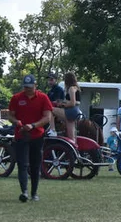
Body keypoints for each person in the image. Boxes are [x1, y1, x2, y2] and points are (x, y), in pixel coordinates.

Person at [8, 74, 54, 202]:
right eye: (25, 87)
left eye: (30, 87)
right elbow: (10, 116)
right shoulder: (16, 98)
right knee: (22, 164)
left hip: (37, 136)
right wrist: (16, 121)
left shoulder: (43, 98)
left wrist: (33, 125)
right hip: (21, 135)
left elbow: (47, 117)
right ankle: (24, 192)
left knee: (35, 165)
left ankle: (34, 193)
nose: (27, 89)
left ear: (35, 85)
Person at [50, 71, 81, 144]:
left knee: (50, 110)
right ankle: (74, 149)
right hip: (76, 111)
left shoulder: (71, 89)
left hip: (71, 111)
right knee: (71, 136)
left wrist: (62, 105)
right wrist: (64, 102)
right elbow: (77, 102)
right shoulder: (76, 88)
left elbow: (72, 103)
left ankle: (53, 131)